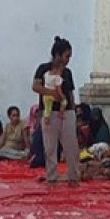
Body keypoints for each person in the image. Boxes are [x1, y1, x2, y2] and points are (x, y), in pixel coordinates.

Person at [32, 36, 79, 185]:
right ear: (57, 55)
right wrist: (53, 94)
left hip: (66, 113)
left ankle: (73, 176)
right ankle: (51, 177)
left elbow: (70, 93)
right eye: (66, 56)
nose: (68, 60)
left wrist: (72, 110)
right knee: (50, 147)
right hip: (48, 112)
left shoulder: (67, 73)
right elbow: (36, 86)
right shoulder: (43, 69)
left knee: (71, 147)